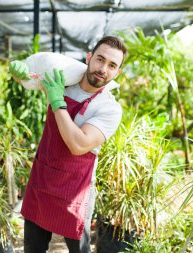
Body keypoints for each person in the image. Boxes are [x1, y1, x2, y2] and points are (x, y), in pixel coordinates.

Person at [9, 36, 128, 253]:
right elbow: (34, 78)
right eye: (100, 60)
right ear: (89, 57)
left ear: (117, 72)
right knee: (32, 247)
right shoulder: (64, 80)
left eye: (112, 65)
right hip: (43, 178)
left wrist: (57, 102)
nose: (103, 69)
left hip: (76, 186)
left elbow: (78, 145)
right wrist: (20, 74)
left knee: (78, 250)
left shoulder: (109, 108)